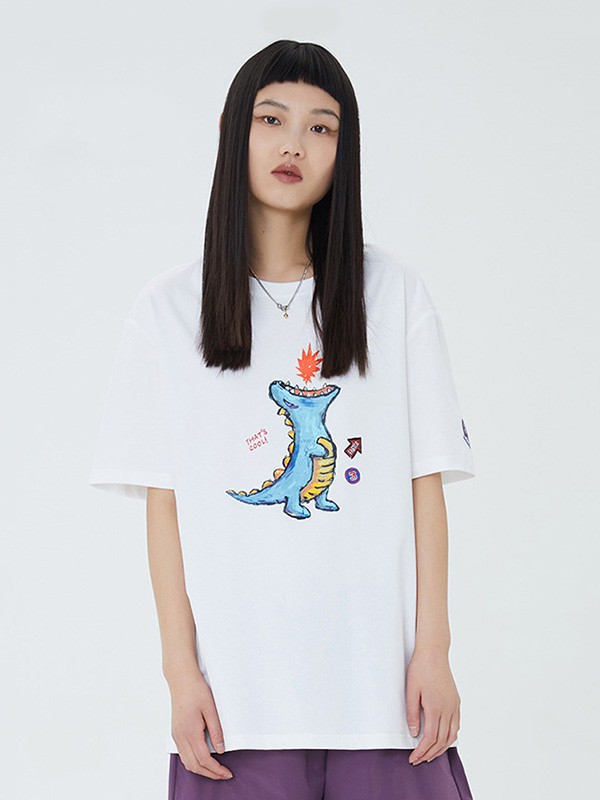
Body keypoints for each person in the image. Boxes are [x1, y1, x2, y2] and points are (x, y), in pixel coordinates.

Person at [89, 39, 477, 800]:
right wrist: (180, 675)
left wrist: (434, 649)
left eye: (321, 127)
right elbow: (165, 507)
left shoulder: (394, 293)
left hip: (384, 702)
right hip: (239, 709)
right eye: (272, 119)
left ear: (344, 151)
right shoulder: (166, 311)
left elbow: (424, 482)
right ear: (233, 131)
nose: (293, 144)